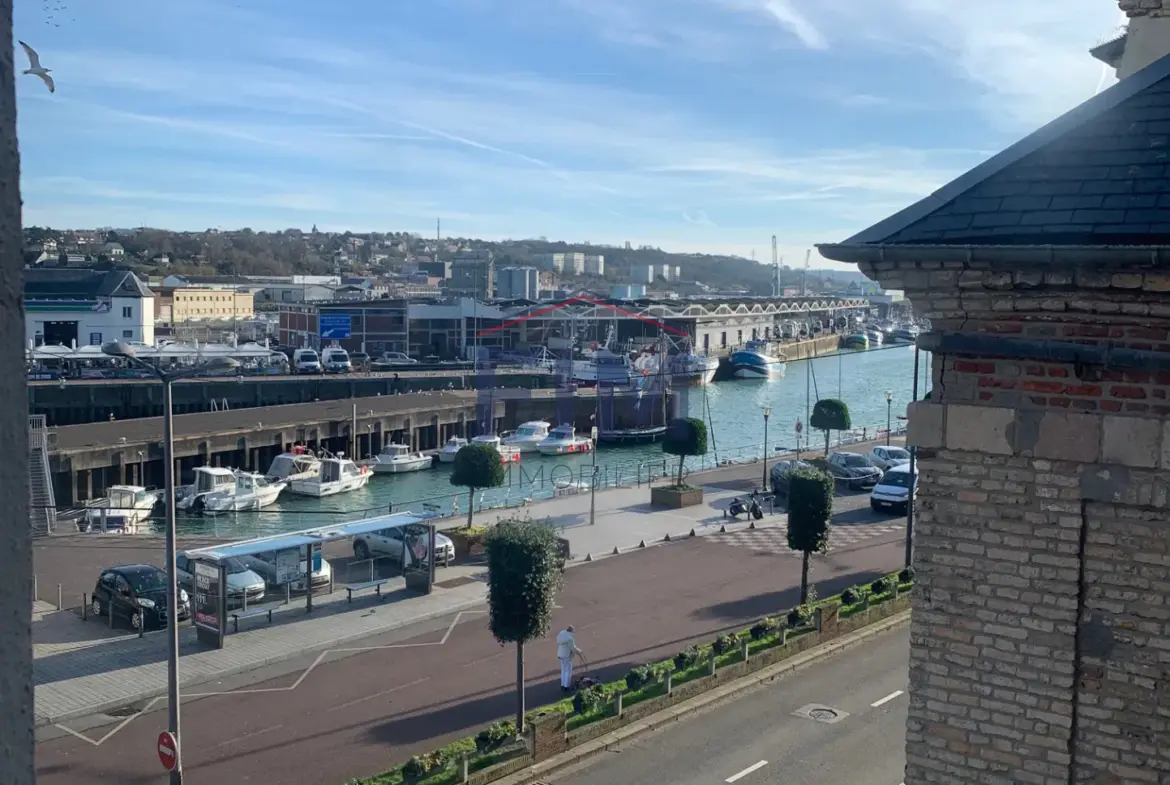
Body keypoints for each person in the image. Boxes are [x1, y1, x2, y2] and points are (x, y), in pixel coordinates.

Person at [557, 625, 582, 692]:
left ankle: (562, 685)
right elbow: (573, 648)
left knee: (563, 670)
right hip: (567, 656)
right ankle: (566, 686)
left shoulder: (561, 634)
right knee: (568, 671)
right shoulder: (570, 638)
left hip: (560, 655)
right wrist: (579, 651)